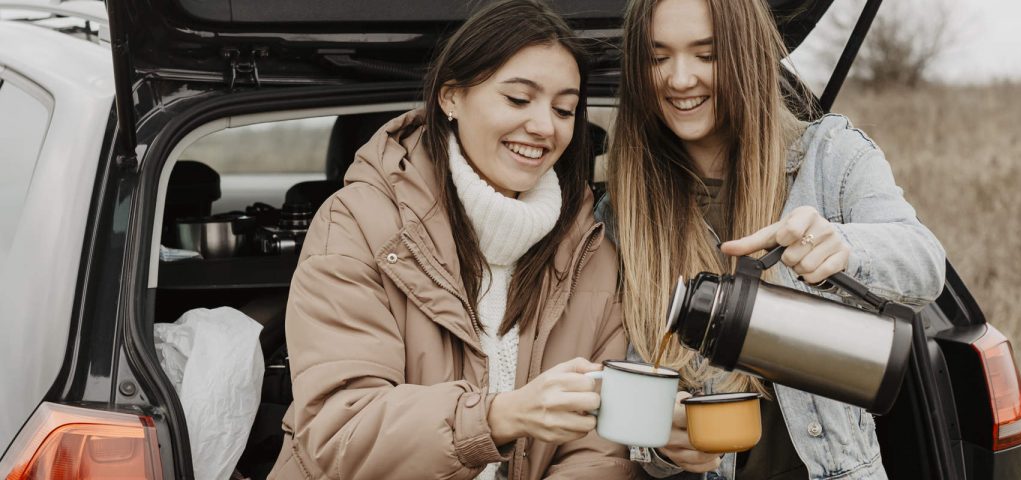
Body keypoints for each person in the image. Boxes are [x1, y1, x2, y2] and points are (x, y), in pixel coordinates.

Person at [268, 1, 639, 479]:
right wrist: (496, 417)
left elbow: (600, 449)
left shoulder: (591, 248)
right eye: (519, 99)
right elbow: (341, 433)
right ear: (451, 97)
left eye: (564, 108)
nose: (545, 126)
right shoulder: (356, 224)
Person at [597, 0, 947, 478]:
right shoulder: (626, 214)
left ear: (746, 55)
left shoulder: (830, 158)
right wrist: (663, 449)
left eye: (707, 54)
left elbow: (926, 265)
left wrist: (842, 247)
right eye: (659, 58)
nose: (679, 79)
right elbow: (634, 400)